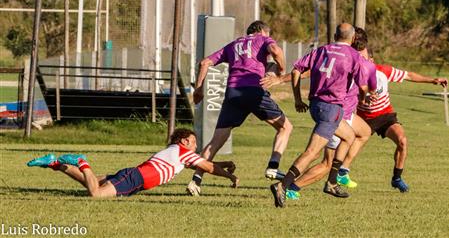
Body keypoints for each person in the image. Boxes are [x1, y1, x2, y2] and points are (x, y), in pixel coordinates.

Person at [270, 23, 372, 208]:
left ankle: (332, 182)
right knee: (312, 153)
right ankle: (282, 185)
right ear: (353, 38)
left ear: (334, 35)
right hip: (331, 108)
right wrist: (364, 99)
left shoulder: (321, 50)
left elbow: (296, 70)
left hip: (317, 105)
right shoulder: (353, 55)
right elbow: (363, 86)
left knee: (349, 136)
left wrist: (298, 99)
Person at [186, 21, 293, 196]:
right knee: (285, 127)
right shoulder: (263, 40)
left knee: (216, 141)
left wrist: (198, 89)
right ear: (261, 31)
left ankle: (196, 180)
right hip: (253, 90)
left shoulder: (233, 45)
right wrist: (281, 71)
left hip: (233, 93)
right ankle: (273, 167)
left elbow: (204, 63)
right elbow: (277, 51)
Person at [337, 28, 448, 192]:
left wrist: (432, 80)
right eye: (357, 57)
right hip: (362, 117)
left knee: (402, 141)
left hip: (384, 115)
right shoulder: (352, 74)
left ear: (371, 60)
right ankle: (340, 173)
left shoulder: (382, 71)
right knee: (343, 142)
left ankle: (397, 178)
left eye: (364, 57)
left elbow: (408, 75)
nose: (361, 61)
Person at [27, 128, 238, 198]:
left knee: (89, 181)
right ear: (184, 141)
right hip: (136, 177)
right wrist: (229, 175)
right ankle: (81, 161)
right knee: (96, 194)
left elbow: (204, 164)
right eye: (194, 142)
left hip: (134, 177)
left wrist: (225, 162)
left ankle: (55, 163)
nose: (195, 145)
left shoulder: (179, 153)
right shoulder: (184, 151)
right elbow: (208, 167)